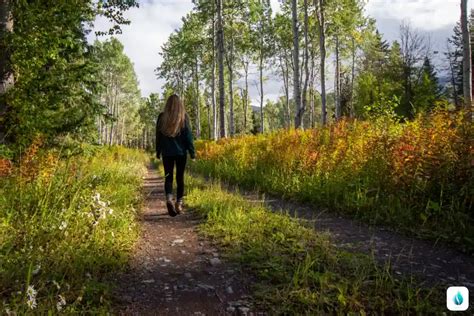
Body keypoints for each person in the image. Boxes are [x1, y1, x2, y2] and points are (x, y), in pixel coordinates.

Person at [156, 94, 195, 217]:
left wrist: (158, 151)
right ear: (180, 104)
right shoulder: (184, 117)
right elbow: (188, 137)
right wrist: (192, 153)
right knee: (180, 178)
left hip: (167, 153)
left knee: (168, 177)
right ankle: (179, 203)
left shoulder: (162, 117)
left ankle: (169, 199)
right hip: (180, 153)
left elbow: (158, 136)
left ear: (167, 104)